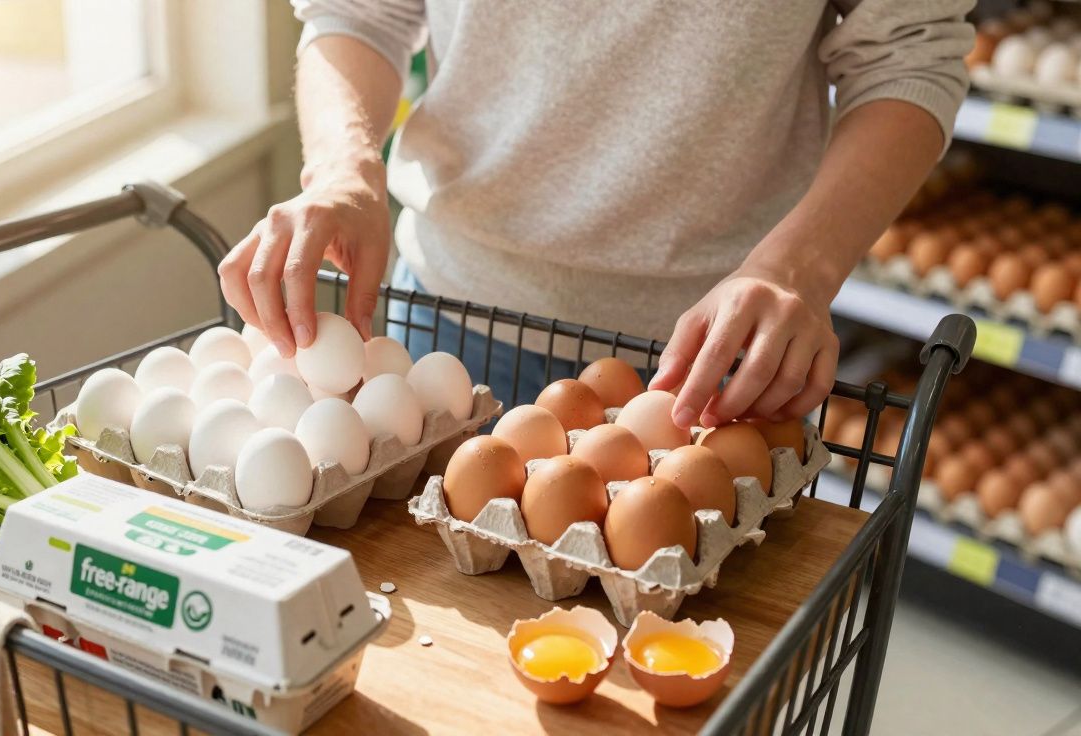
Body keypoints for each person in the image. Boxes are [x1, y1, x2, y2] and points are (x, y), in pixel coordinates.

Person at [219, 1, 972, 427]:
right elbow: (362, 11)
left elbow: (908, 55)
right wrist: (344, 167)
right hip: (441, 325)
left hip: (713, 361)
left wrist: (795, 270)